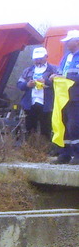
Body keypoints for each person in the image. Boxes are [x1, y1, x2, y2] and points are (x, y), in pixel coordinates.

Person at [17, 47, 58, 142]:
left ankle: (45, 149)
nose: (38, 61)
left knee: (46, 128)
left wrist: (47, 82)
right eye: (36, 59)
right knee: (30, 129)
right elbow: (19, 84)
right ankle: (31, 150)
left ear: (46, 57)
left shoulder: (54, 69)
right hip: (30, 104)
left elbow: (60, 84)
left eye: (40, 58)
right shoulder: (28, 70)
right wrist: (27, 85)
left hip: (47, 104)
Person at [51, 31, 79, 163]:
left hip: (76, 97)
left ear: (77, 41)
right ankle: (65, 153)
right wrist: (52, 77)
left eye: (69, 41)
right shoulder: (66, 57)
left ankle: (77, 154)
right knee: (63, 124)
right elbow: (59, 73)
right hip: (63, 98)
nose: (66, 44)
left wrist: (66, 77)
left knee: (75, 125)